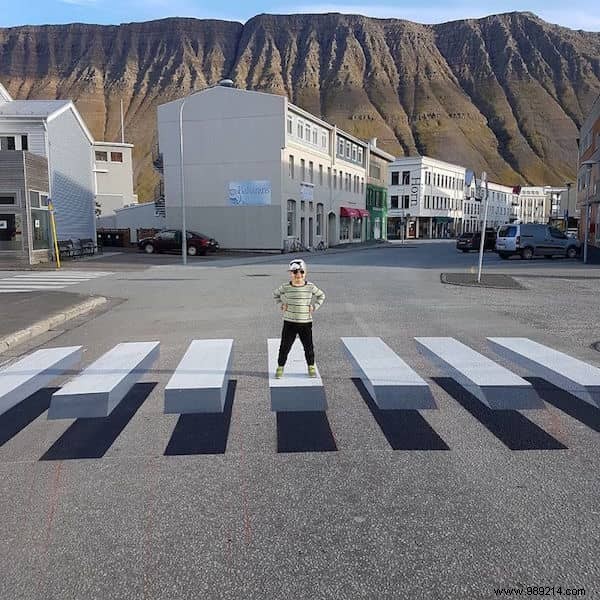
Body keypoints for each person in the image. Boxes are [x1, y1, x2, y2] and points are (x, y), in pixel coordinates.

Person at [273, 258, 325, 378]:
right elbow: (275, 294)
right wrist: (282, 305)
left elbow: (321, 295)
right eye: (295, 272)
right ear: (290, 273)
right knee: (285, 346)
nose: (298, 275)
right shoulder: (286, 287)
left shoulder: (310, 287)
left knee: (308, 346)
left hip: (305, 322)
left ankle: (311, 366)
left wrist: (314, 306)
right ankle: (280, 367)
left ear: (305, 273)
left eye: (301, 272)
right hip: (289, 322)